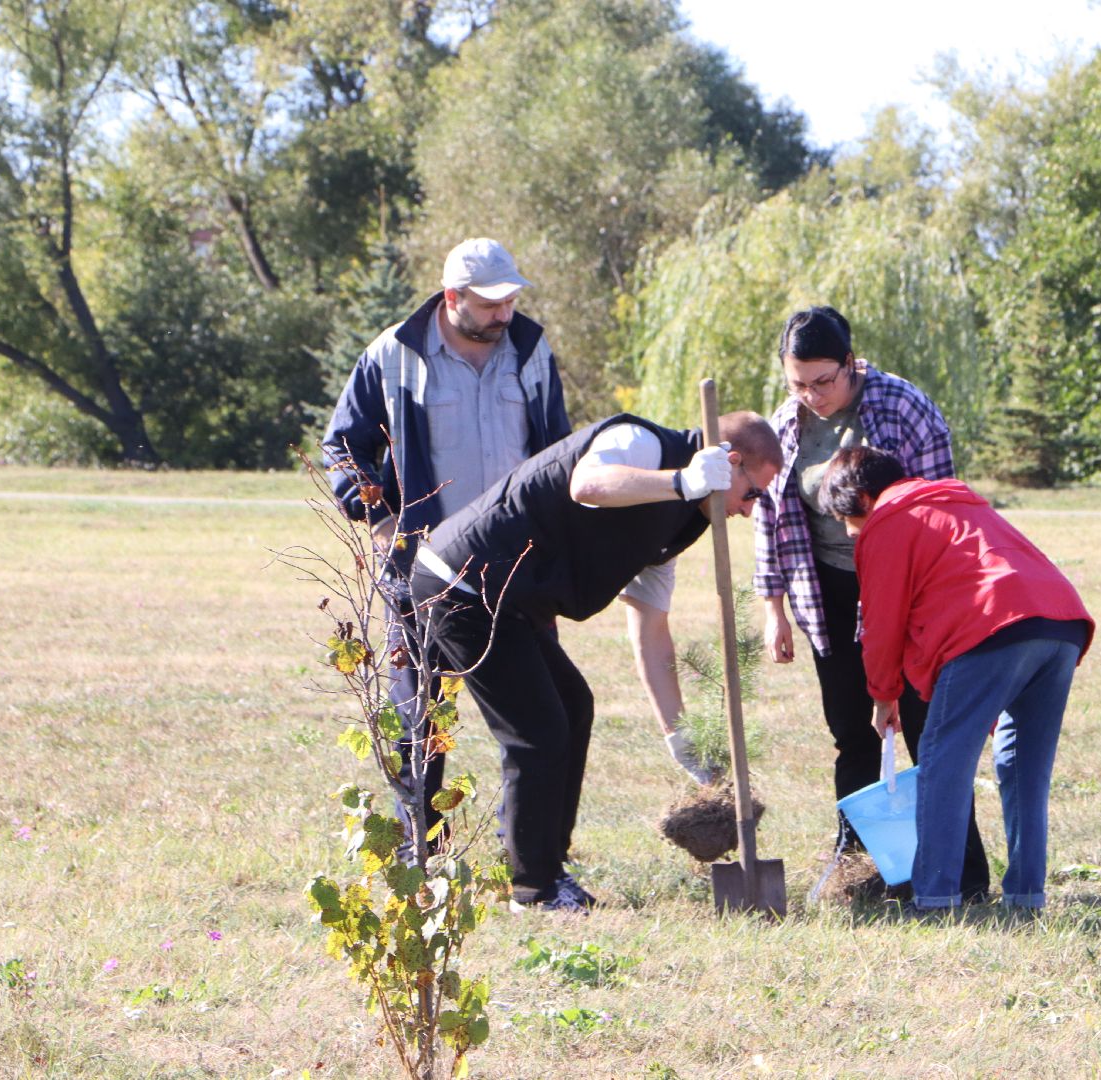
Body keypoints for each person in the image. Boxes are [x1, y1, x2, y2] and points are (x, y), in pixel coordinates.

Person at [408, 411, 783, 911]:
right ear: (729, 462)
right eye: (752, 493)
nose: (747, 511)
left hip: (510, 600)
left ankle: (546, 865)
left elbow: (651, 631)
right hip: (463, 583)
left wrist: (679, 737)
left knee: (573, 705)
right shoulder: (642, 444)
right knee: (538, 729)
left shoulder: (678, 524)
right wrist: (682, 480)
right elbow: (588, 483)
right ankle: (534, 890)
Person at [320, 237, 572, 847]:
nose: (503, 314)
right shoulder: (393, 353)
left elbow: (559, 454)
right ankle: (420, 850)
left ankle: (534, 858)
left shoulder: (532, 351)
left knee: (544, 718)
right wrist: (380, 521)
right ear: (452, 296)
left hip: (518, 571)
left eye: (510, 300)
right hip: (426, 571)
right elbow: (343, 448)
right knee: (419, 719)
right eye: (489, 304)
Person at [752, 306, 991, 901]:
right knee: (850, 731)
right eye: (797, 384)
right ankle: (860, 868)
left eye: (823, 381)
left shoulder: (906, 409)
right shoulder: (787, 425)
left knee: (922, 727)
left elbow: (944, 508)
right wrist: (772, 607)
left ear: (851, 363)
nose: (811, 395)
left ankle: (960, 873)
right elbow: (770, 514)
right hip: (825, 591)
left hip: (908, 591)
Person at [819, 446, 1095, 913]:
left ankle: (934, 897)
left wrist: (883, 695)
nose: (850, 536)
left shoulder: (887, 521)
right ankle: (1027, 895)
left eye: (849, 526)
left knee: (942, 761)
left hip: (995, 626)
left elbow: (882, 624)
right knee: (1024, 767)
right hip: (1059, 623)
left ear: (863, 497)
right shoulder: (957, 501)